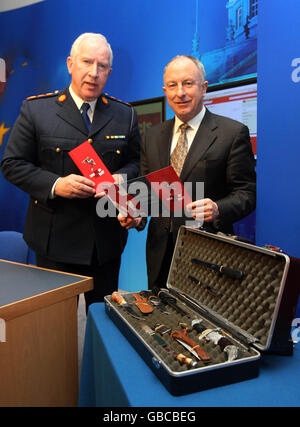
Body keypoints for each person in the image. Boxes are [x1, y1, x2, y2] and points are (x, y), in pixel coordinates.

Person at [1, 33, 141, 310]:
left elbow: (136, 163)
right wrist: (56, 184)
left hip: (105, 243)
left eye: (102, 66)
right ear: (70, 64)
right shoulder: (37, 110)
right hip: (54, 242)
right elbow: (12, 164)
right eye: (87, 62)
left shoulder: (125, 115)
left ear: (109, 72)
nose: (93, 73)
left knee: (104, 323)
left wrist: (121, 177)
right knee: (55, 328)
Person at [119, 55, 256, 290]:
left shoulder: (232, 133)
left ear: (204, 88)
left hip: (210, 252)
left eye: (188, 83)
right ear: (165, 90)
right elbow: (146, 193)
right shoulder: (152, 136)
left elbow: (247, 193)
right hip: (159, 253)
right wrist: (137, 216)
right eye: (172, 85)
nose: (180, 92)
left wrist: (218, 208)